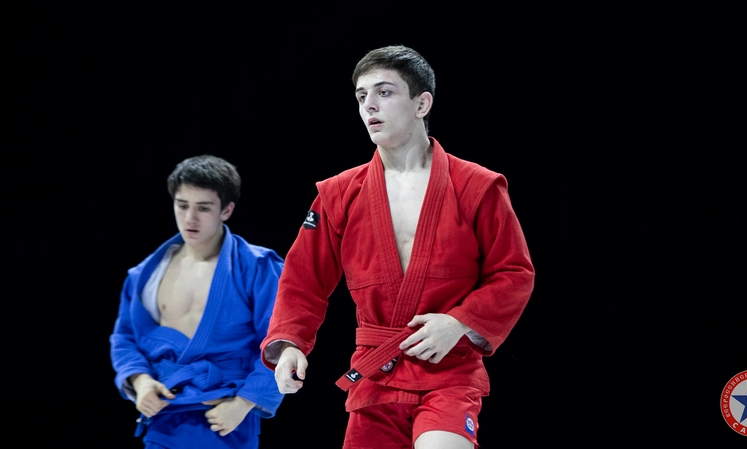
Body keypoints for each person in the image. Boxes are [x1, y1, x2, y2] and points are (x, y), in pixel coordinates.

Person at [260, 45, 535, 449]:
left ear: (422, 103)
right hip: (377, 374)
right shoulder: (339, 194)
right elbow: (303, 278)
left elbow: (513, 272)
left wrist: (458, 323)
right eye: (361, 96)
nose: (369, 105)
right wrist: (289, 344)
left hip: (448, 369)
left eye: (384, 92)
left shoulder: (477, 186)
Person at [111, 155, 284, 448]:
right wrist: (140, 381)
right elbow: (125, 338)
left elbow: (281, 343)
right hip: (165, 412)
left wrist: (244, 402)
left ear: (226, 210)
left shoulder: (259, 268)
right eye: (182, 206)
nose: (190, 218)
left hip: (227, 415)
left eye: (203, 208)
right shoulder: (145, 275)